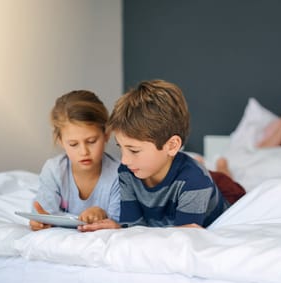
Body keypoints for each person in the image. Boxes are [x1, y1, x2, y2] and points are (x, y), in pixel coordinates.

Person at [79, 79, 229, 231]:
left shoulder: (195, 181)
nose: (124, 160)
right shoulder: (127, 172)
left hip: (224, 195)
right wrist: (119, 228)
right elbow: (134, 228)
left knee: (228, 184)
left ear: (172, 145)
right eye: (121, 147)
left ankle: (222, 166)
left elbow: (183, 238)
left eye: (134, 150)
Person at [30, 90, 120, 231]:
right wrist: (39, 221)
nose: (84, 152)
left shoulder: (119, 174)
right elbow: (44, 213)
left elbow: (121, 223)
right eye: (73, 144)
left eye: (91, 141)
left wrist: (102, 214)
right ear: (60, 141)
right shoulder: (54, 170)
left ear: (106, 135)